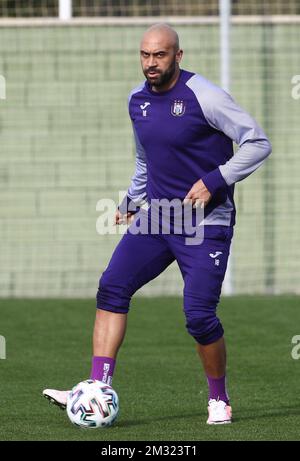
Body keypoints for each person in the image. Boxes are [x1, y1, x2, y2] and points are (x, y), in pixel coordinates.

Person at [43, 23, 271, 424]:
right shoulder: (136, 100)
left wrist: (215, 179)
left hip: (206, 223)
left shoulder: (207, 97)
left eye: (160, 55)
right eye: (145, 55)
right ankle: (98, 387)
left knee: (199, 316)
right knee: (112, 288)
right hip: (156, 219)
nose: (151, 63)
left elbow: (258, 142)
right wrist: (131, 200)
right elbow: (145, 160)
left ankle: (218, 398)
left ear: (178, 56)